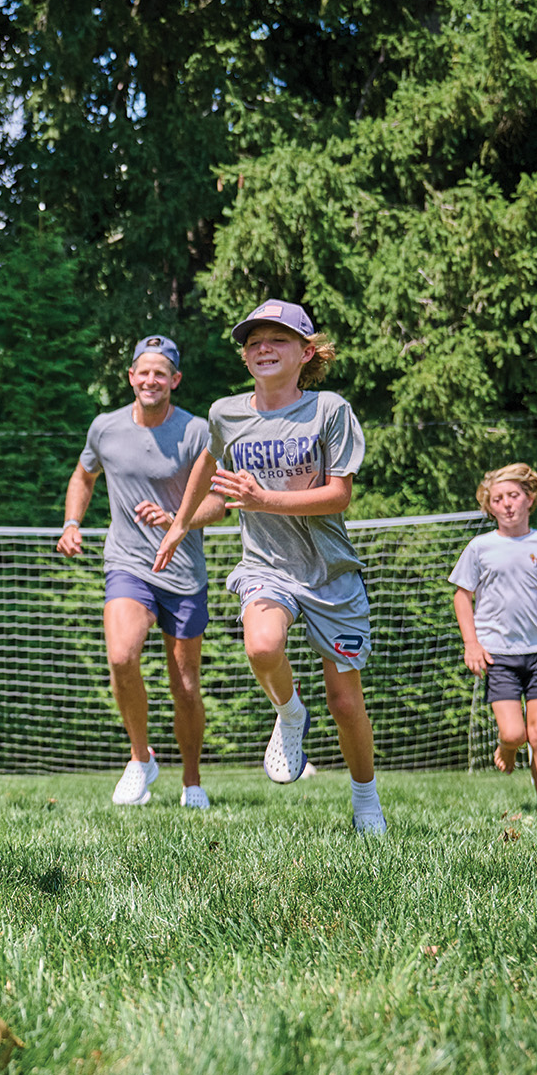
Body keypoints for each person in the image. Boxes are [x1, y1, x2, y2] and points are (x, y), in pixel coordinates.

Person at [155, 299, 388, 835]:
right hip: (267, 566)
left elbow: (338, 496)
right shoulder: (225, 413)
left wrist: (264, 500)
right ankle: (289, 713)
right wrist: (178, 524)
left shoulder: (329, 409)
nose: (264, 347)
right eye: (254, 340)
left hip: (330, 573)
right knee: (260, 645)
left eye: (278, 339)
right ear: (244, 356)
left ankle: (365, 800)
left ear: (306, 353)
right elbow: (208, 473)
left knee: (345, 700)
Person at [55, 336, 221, 808]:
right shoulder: (105, 428)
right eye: (142, 372)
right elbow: (83, 476)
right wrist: (72, 523)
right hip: (127, 562)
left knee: (185, 684)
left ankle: (192, 782)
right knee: (122, 655)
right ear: (130, 377)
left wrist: (178, 520)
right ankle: (139, 758)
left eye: (160, 372)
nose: (151, 380)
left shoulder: (195, 432)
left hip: (183, 571)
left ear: (175, 380)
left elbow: (220, 503)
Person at [450, 463, 537, 812]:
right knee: (514, 733)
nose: (507, 504)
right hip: (499, 654)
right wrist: (472, 644)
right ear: (489, 506)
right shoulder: (480, 548)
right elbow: (462, 597)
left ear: (530, 499)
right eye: (498, 499)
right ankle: (506, 747)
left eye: (514, 496)